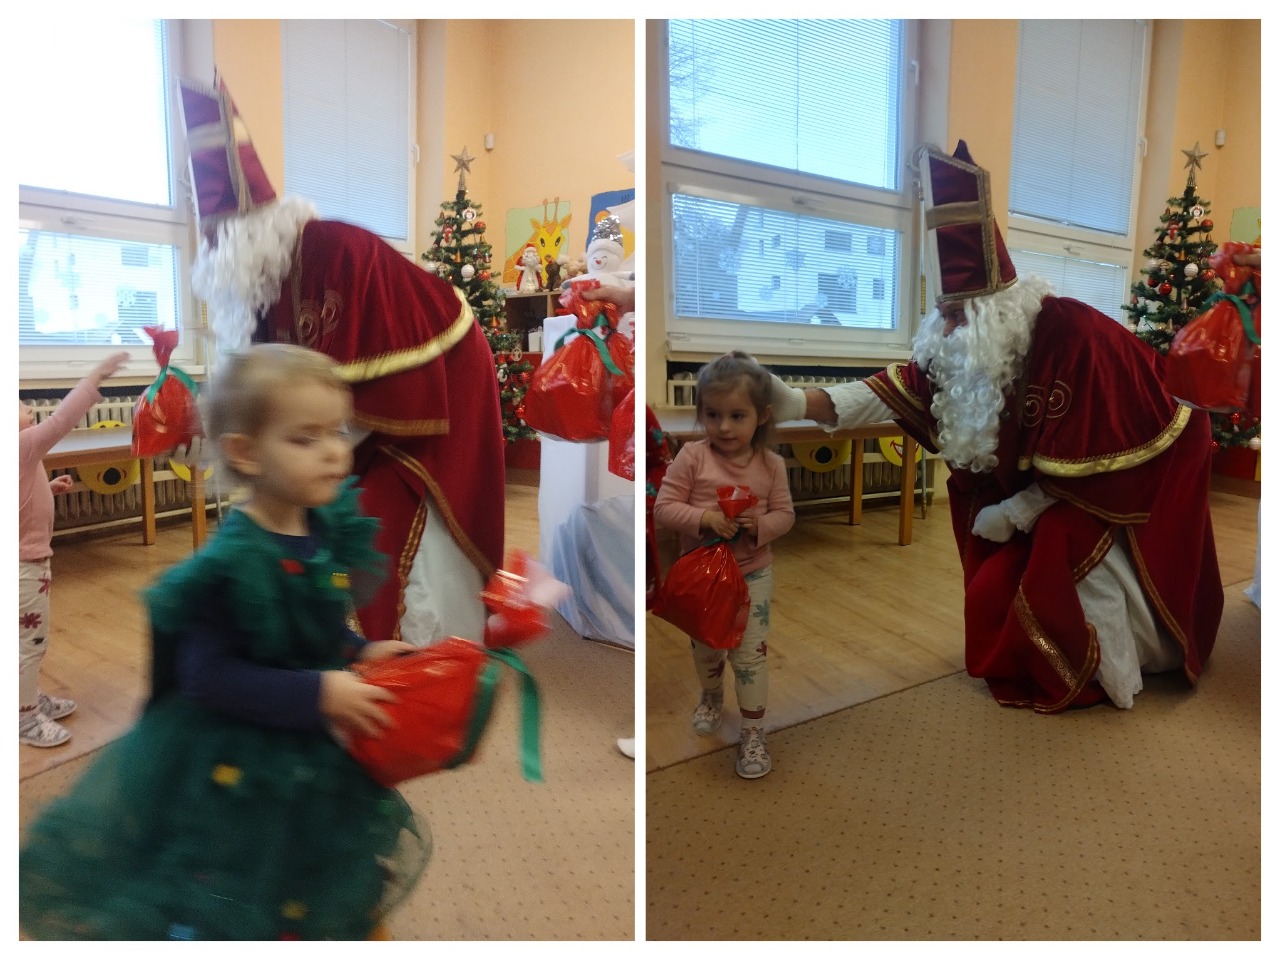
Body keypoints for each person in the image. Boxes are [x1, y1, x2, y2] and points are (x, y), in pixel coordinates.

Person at [769, 140, 1223, 713]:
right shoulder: (961, 346)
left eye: (959, 315)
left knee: (1067, 550)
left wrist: (1017, 513)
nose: (947, 330)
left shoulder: (1073, 336)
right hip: (1050, 487)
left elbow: (1101, 463)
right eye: (942, 314)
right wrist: (794, 401)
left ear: (994, 307)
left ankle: (1112, 667)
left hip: (1132, 477)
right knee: (997, 576)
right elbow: (892, 390)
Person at [18, 344, 430, 940]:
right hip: (245, 762)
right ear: (245, 452)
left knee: (327, 876)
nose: (334, 451)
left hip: (312, 747)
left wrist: (357, 651)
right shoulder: (232, 564)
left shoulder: (321, 527)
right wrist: (317, 693)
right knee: (249, 890)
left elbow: (312, 625)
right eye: (305, 438)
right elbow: (207, 677)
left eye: (338, 431)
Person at [180, 75, 504, 650]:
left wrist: (308, 453)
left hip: (437, 381)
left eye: (220, 242)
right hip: (357, 412)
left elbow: (368, 376)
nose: (215, 257)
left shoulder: (333, 250)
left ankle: (426, 648)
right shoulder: (263, 284)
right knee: (329, 506)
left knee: (383, 519)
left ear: (246, 237)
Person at [653, 351, 796, 779]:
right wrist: (705, 519)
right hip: (702, 582)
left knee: (750, 657)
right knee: (706, 650)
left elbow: (786, 515)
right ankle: (712, 695)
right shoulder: (692, 457)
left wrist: (761, 525)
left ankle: (753, 732)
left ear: (761, 416)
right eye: (713, 415)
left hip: (753, 576)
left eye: (737, 416)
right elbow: (663, 507)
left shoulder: (772, 465)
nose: (724, 427)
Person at [19, 352, 129, 747]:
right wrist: (95, 376)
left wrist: (45, 490)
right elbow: (60, 421)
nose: (26, 407)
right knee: (30, 643)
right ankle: (23, 718)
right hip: (26, 568)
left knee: (24, 641)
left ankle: (25, 698)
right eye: (15, 404)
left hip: (20, 566)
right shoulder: (18, 446)